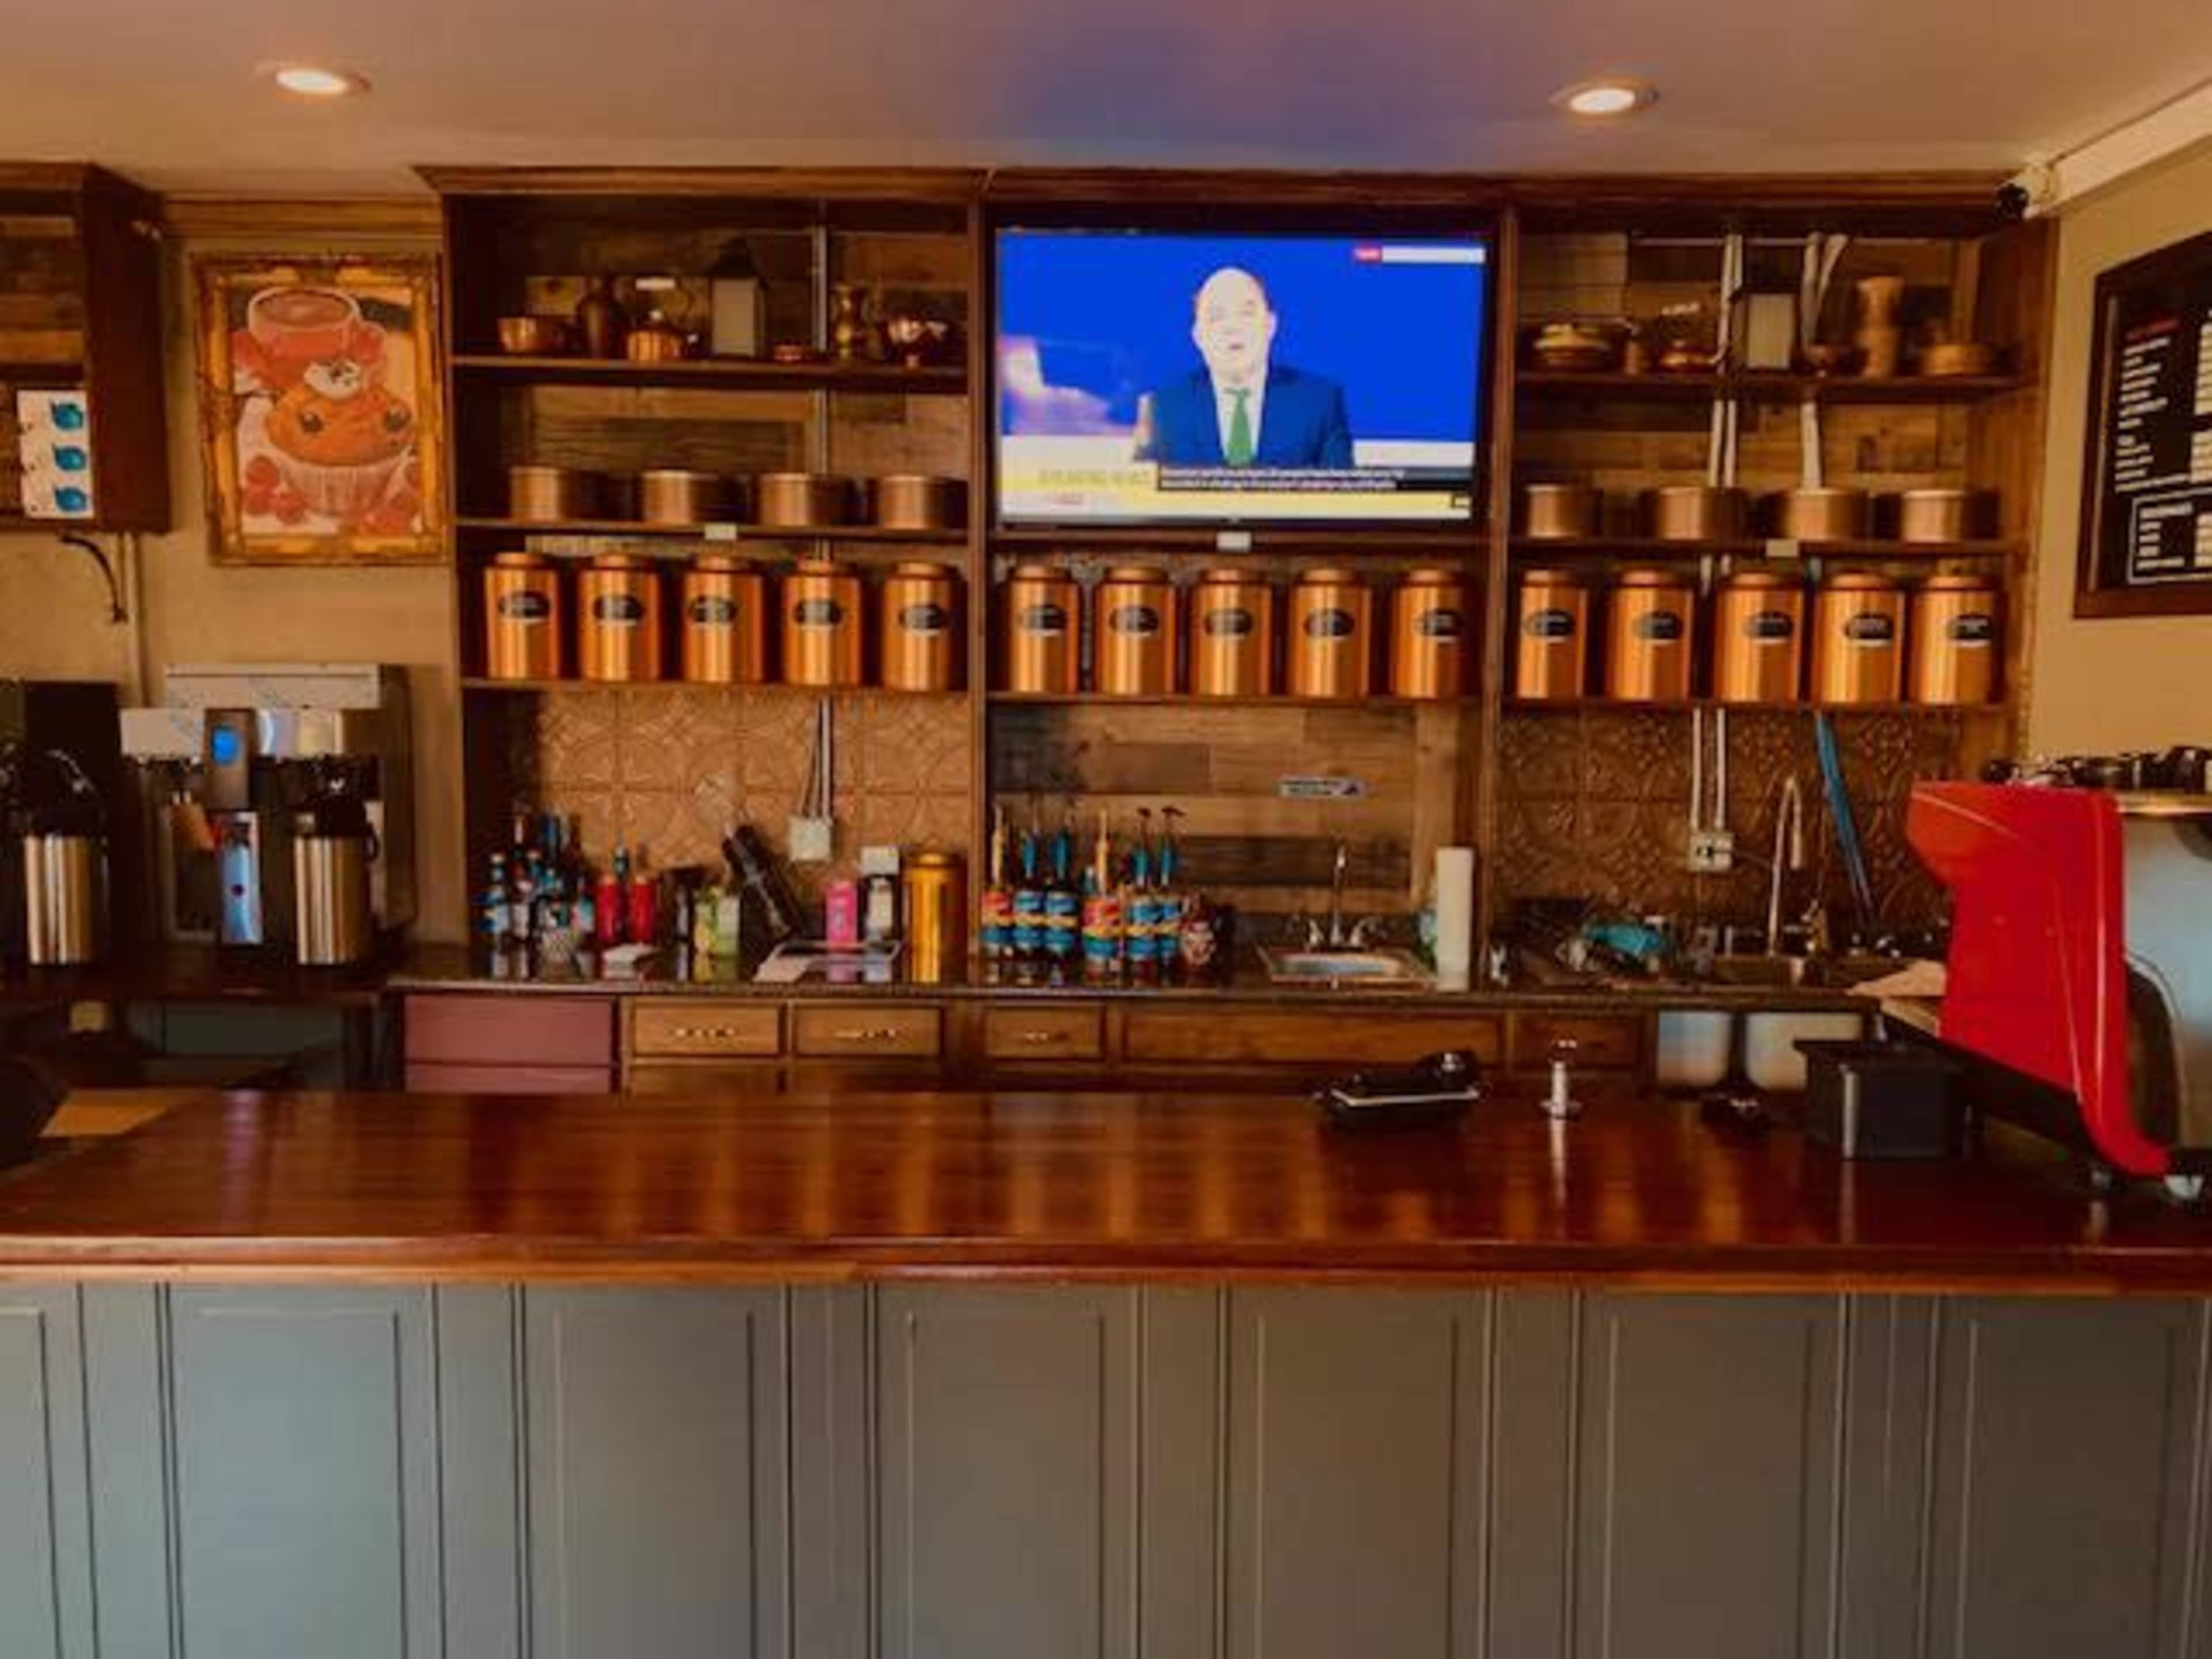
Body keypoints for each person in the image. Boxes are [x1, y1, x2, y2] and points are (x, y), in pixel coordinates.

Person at [1135, 267, 1353, 468]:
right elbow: (1140, 498)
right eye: (1217, 317)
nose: (1233, 327)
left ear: (1270, 325)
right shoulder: (1164, 408)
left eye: (1246, 314)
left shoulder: (1319, 401)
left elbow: (1344, 500)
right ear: (1198, 336)